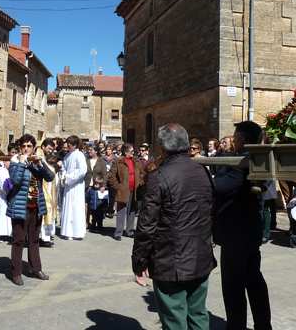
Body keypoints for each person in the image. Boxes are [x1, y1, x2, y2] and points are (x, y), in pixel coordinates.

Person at [132, 123, 216, 329]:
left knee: (174, 320)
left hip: (170, 260)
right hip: (199, 255)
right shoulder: (203, 172)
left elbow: (146, 225)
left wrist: (139, 262)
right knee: (198, 315)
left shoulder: (158, 177)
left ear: (162, 147)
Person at [213, 121, 271, 330]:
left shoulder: (242, 165)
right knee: (254, 281)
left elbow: (218, 187)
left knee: (234, 287)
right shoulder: (258, 160)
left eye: (235, 138)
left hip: (235, 236)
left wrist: (221, 166)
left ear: (242, 140)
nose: (233, 141)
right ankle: (263, 325)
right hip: (248, 234)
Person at [7, 134, 54, 286]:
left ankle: (36, 269)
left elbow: (50, 177)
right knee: (19, 239)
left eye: (29, 146)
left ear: (34, 148)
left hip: (35, 206)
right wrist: (21, 163)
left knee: (34, 239)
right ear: (19, 148)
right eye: (23, 146)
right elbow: (15, 180)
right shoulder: (14, 162)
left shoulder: (36, 162)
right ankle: (16, 273)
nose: (26, 149)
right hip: (20, 206)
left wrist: (41, 165)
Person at [108, 143, 144, 241]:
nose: (133, 153)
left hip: (135, 189)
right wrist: (118, 187)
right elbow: (111, 176)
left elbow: (141, 173)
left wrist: (140, 182)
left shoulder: (136, 161)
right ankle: (118, 232)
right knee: (121, 211)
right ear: (125, 152)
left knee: (132, 210)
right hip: (123, 190)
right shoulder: (118, 162)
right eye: (131, 151)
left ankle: (130, 230)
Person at [59, 135, 87, 240]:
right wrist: (63, 177)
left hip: (77, 185)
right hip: (68, 185)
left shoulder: (79, 155)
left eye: (69, 145)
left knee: (76, 208)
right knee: (68, 207)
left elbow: (82, 171)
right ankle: (67, 231)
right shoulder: (67, 156)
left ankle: (77, 232)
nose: (67, 147)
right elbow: (64, 168)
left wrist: (68, 177)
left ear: (75, 145)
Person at [0, 144, 17, 242]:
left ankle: (11, 234)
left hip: (13, 195)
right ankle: (0, 234)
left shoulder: (14, 168)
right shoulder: (1, 169)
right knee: (2, 214)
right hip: (3, 195)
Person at [36, 139, 58, 247]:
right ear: (43, 146)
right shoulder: (38, 154)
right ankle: (42, 238)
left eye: (52, 149)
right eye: (49, 148)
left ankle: (43, 237)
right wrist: (56, 167)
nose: (50, 151)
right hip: (42, 189)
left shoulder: (42, 155)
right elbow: (45, 168)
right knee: (44, 213)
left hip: (45, 188)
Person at [84, 145, 107, 229]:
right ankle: (86, 222)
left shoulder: (102, 162)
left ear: (96, 151)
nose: (89, 152)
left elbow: (104, 175)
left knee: (96, 206)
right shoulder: (86, 161)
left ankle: (96, 223)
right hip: (87, 186)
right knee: (86, 206)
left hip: (97, 187)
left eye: (91, 150)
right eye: (89, 150)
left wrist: (104, 186)